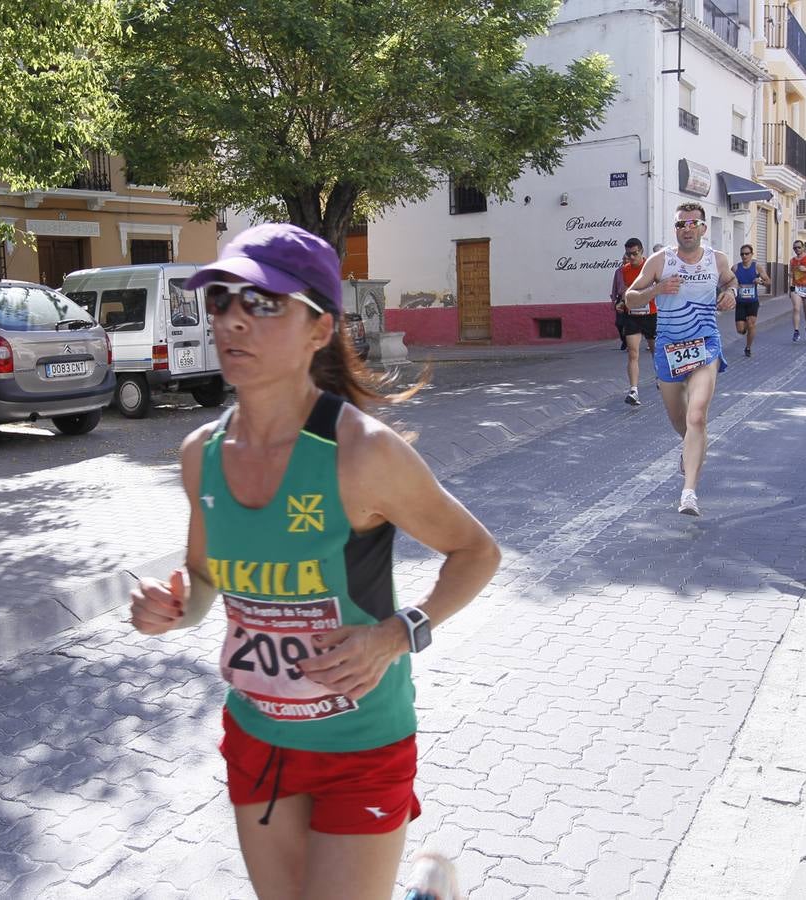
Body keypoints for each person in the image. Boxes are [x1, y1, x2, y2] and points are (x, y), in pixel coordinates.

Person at [128, 223, 501, 900]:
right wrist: (172, 610)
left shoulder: (362, 453)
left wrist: (396, 633)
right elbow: (207, 578)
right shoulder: (199, 455)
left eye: (264, 302)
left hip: (361, 742)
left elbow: (476, 552)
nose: (235, 319)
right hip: (257, 735)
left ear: (319, 327)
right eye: (222, 301)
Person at [625, 202, 738, 516]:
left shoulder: (717, 259)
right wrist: (656, 289)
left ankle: (689, 493)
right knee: (681, 421)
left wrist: (732, 293)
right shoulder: (660, 261)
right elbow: (630, 297)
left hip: (705, 346)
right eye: (680, 224)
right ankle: (693, 444)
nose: (687, 228)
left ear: (703, 227)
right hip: (669, 349)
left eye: (693, 223)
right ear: (675, 229)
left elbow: (730, 281)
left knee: (697, 416)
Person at [612, 238, 653, 405]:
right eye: (628, 254)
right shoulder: (624, 270)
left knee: (655, 351)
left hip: (651, 314)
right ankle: (634, 390)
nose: (632, 257)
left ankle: (662, 379)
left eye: (635, 254)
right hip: (632, 315)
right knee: (633, 353)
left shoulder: (650, 267)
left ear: (642, 252)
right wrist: (621, 303)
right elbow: (624, 293)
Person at [733, 244, 770, 357]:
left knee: (751, 324)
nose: (744, 256)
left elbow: (768, 281)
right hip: (740, 302)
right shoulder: (735, 268)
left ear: (751, 254)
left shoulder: (756, 267)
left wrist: (761, 282)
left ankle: (748, 347)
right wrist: (734, 287)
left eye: (747, 254)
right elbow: (728, 282)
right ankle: (744, 330)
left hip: (752, 302)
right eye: (742, 254)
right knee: (740, 329)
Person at [788, 239, 806, 342]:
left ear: (803, 247)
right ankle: (796, 331)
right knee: (796, 308)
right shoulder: (792, 260)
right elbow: (791, 274)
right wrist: (789, 288)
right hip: (796, 287)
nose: (797, 249)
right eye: (795, 248)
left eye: (799, 247)